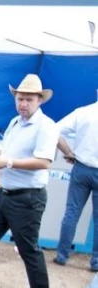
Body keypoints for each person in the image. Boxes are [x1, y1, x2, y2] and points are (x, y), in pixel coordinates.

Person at [0, 74, 60, 288]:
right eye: (20, 98)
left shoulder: (46, 127)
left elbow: (44, 162)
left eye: (28, 99)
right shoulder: (15, 122)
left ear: (39, 101)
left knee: (28, 248)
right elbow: (6, 148)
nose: (23, 103)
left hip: (28, 197)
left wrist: (8, 162)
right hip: (5, 193)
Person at [52, 91, 98, 270]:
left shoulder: (82, 112)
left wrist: (68, 152)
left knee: (72, 212)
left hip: (81, 167)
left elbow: (53, 130)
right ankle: (95, 262)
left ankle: (62, 255)